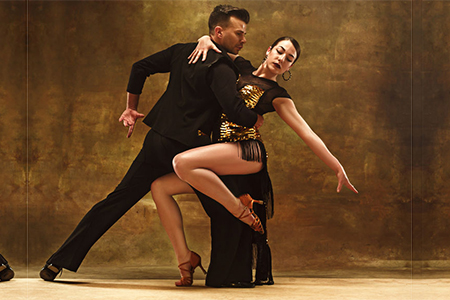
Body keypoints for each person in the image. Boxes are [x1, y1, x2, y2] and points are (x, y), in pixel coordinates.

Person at [39, 5, 264, 284]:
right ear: (219, 31)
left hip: (157, 142)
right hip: (190, 153)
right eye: (239, 33)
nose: (244, 39)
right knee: (225, 208)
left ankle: (56, 262)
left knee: (117, 200)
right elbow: (234, 110)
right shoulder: (221, 68)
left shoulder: (186, 51)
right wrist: (255, 118)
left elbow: (140, 67)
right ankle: (228, 275)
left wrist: (130, 108)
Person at [150, 35, 358, 286]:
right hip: (220, 150)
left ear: (290, 67)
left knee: (182, 163)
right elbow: (217, 45)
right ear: (269, 50)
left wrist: (337, 167)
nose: (282, 59)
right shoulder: (242, 68)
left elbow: (306, 132)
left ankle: (242, 212)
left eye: (289, 59)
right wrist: (204, 39)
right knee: (159, 188)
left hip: (247, 152)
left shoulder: (277, 94)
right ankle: (186, 260)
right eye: (280, 52)